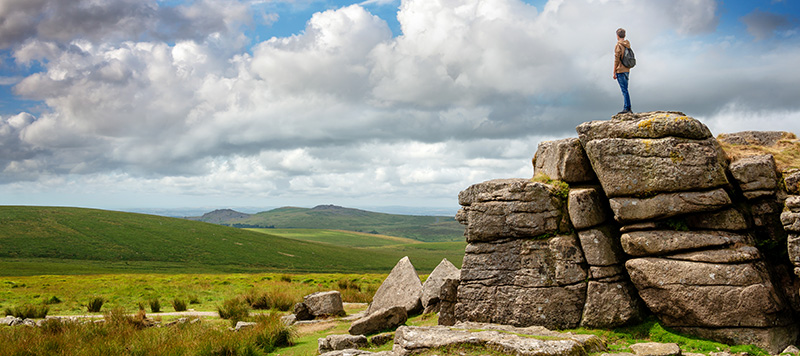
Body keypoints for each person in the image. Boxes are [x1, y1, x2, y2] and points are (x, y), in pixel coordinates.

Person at [613, 28, 632, 114]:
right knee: (626, 89)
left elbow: (616, 59)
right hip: (627, 70)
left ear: (617, 35)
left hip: (620, 70)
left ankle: (626, 108)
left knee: (624, 90)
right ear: (624, 35)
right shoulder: (627, 44)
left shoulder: (618, 45)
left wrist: (614, 71)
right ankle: (628, 107)